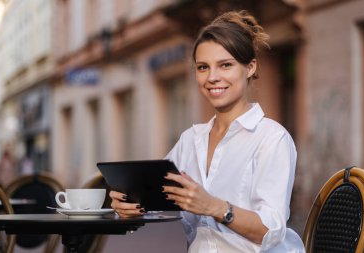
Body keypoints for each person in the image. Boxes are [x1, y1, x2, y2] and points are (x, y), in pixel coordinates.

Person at [110, 10, 305, 253]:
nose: (212, 77)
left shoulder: (272, 138)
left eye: (225, 65)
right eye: (203, 67)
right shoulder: (191, 140)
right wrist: (130, 203)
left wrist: (214, 206)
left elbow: (271, 232)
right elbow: (156, 198)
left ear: (250, 68)